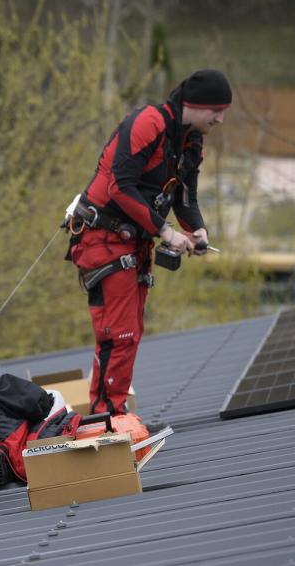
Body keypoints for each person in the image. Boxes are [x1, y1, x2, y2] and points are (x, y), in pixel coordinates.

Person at [65, 69, 232, 417]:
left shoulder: (191, 141)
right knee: (119, 334)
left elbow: (185, 197)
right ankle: (107, 417)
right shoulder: (148, 123)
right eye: (216, 110)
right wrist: (167, 232)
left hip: (134, 241)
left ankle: (110, 412)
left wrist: (196, 229)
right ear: (194, 105)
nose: (220, 118)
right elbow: (119, 187)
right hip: (104, 238)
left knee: (130, 333)